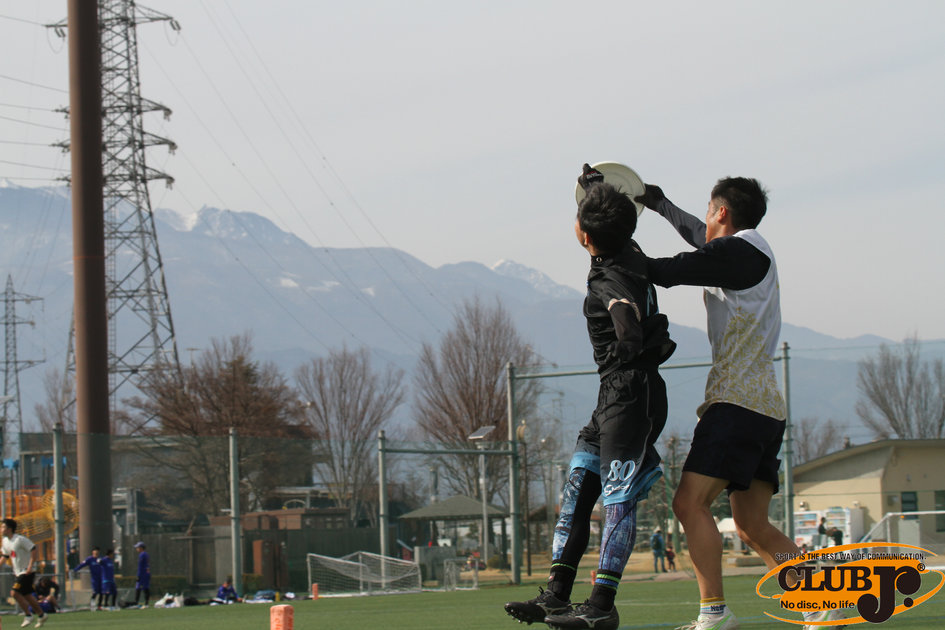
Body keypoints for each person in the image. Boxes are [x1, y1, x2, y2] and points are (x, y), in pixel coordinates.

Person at [637, 179, 843, 630]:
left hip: (737, 402)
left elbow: (665, 270)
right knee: (751, 524)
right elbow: (698, 236)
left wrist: (607, 238)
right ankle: (821, 603)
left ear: (722, 213)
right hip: (766, 406)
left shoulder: (739, 252)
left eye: (708, 211)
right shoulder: (746, 252)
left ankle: (714, 613)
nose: (704, 221)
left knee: (688, 504)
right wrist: (657, 203)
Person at [505, 165, 676, 630]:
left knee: (617, 499)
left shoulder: (609, 278)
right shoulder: (628, 250)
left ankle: (602, 606)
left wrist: (629, 340)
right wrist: (598, 186)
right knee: (579, 491)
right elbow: (614, 222)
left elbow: (624, 314)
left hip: (631, 393)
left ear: (584, 235)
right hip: (614, 396)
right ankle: (557, 596)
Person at [0, 518, 48, 627]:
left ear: (9, 529)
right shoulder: (5, 541)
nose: (1, 529)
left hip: (26, 571)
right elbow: (5, 556)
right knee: (27, 595)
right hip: (18, 572)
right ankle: (41, 615)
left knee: (14, 593)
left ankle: (28, 615)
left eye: (3, 527)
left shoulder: (20, 539)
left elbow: (33, 549)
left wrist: (30, 566)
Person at [72, 546, 103, 610]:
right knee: (95, 592)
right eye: (95, 553)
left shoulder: (100, 559)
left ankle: (99, 606)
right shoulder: (89, 559)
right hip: (94, 579)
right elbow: (82, 564)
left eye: (97, 553)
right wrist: (75, 569)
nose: (96, 555)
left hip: (101, 578)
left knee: (101, 592)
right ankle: (92, 604)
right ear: (93, 553)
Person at [133, 541, 151, 608]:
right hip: (147, 573)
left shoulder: (142, 555)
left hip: (142, 574)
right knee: (146, 588)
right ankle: (147, 603)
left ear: (141, 548)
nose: (137, 549)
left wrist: (138, 575)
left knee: (138, 588)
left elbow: (140, 566)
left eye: (137, 547)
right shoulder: (146, 554)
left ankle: (136, 602)